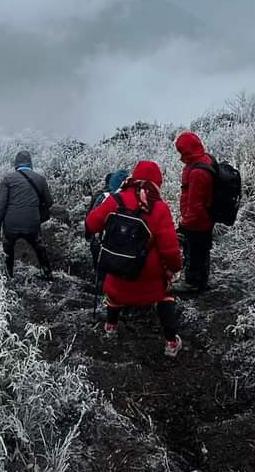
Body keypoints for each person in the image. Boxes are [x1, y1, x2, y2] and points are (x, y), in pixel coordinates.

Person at [86, 160, 184, 358]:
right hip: (149, 281)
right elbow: (170, 251)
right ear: (157, 183)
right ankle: (171, 343)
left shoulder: (116, 199)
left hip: (117, 273)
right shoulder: (159, 208)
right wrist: (174, 269)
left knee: (114, 292)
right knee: (167, 294)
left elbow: (91, 224)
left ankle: (110, 327)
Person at [0, 150, 53, 280]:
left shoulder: (8, 179)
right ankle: (47, 273)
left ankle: (8, 277)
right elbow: (49, 202)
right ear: (30, 163)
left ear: (16, 163)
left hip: (11, 225)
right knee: (38, 246)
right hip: (32, 223)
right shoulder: (40, 179)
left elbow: (0, 206)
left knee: (8, 249)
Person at [174, 132, 216, 293]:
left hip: (197, 221)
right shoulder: (206, 159)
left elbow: (195, 205)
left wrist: (184, 223)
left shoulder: (198, 172)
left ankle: (192, 283)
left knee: (194, 251)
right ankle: (202, 281)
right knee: (202, 250)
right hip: (206, 218)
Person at [87, 168, 130, 287]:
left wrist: (89, 236)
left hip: (101, 243)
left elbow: (91, 220)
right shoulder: (131, 199)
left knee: (101, 273)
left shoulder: (104, 196)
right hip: (122, 247)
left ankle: (101, 284)